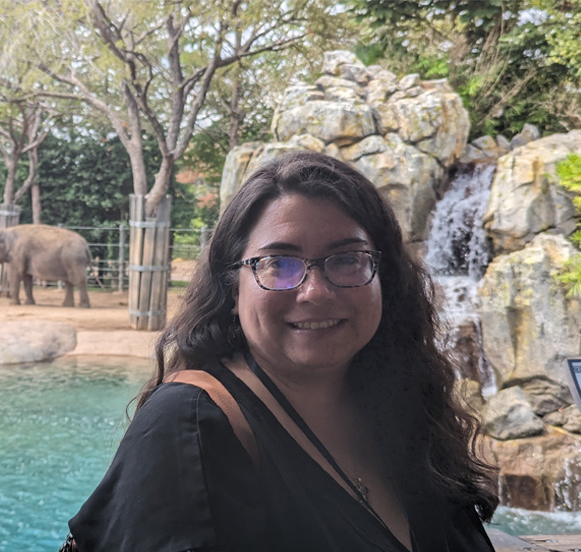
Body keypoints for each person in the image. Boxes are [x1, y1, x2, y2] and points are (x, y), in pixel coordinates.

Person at [61, 151, 498, 551]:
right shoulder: (190, 426)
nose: (314, 291)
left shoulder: (405, 409)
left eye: (347, 258)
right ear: (233, 289)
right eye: (278, 263)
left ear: (385, 276)